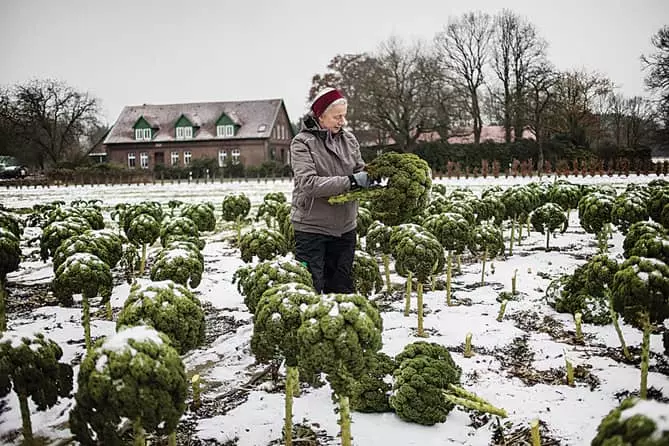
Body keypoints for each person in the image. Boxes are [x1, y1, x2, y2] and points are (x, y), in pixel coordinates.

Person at [289, 87, 372, 294]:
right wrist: (351, 181)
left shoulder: (349, 140)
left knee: (341, 289)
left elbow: (359, 169)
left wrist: (374, 177)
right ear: (321, 116)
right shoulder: (301, 143)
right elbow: (308, 184)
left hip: (345, 228)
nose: (342, 121)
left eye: (344, 116)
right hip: (312, 229)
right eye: (337, 117)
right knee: (312, 288)